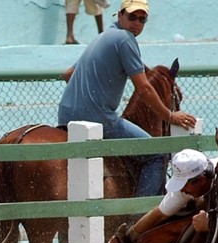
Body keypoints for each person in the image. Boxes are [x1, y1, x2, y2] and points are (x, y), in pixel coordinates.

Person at [58, 0, 197, 197]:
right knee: (156, 154)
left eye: (142, 19)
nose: (136, 23)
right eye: (132, 16)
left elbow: (68, 74)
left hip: (64, 115)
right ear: (120, 14)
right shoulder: (126, 40)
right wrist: (170, 116)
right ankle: (139, 217)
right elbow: (144, 89)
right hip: (100, 119)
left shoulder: (103, 37)